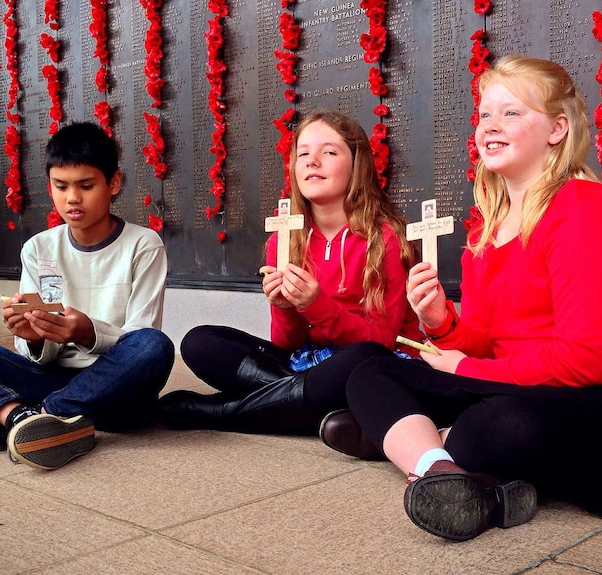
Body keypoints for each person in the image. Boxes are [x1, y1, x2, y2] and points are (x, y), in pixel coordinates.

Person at [320, 56, 602, 541]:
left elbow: (582, 363)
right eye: (486, 114)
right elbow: (490, 343)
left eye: (512, 113)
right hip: (528, 386)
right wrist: (440, 322)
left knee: (494, 426)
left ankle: (420, 445)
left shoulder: (581, 214)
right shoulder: (486, 228)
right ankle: (442, 475)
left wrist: (460, 370)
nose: (491, 127)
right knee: (369, 369)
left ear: (557, 129)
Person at [0, 121, 175, 470]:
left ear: (113, 183)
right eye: (61, 186)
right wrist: (32, 338)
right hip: (49, 377)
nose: (72, 198)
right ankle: (22, 420)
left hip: (116, 388)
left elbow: (141, 335)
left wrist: (85, 331)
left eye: (86, 186)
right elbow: (36, 354)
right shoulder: (40, 248)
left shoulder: (143, 244)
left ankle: (16, 417)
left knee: (155, 346)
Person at [158, 109, 422, 435]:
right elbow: (286, 344)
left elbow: (381, 340)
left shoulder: (386, 239)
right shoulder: (284, 241)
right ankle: (309, 404)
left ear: (357, 164)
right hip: (305, 364)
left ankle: (221, 412)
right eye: (303, 154)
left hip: (368, 364)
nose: (313, 161)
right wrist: (284, 308)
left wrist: (316, 304)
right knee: (201, 342)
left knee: (363, 359)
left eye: (329, 151)